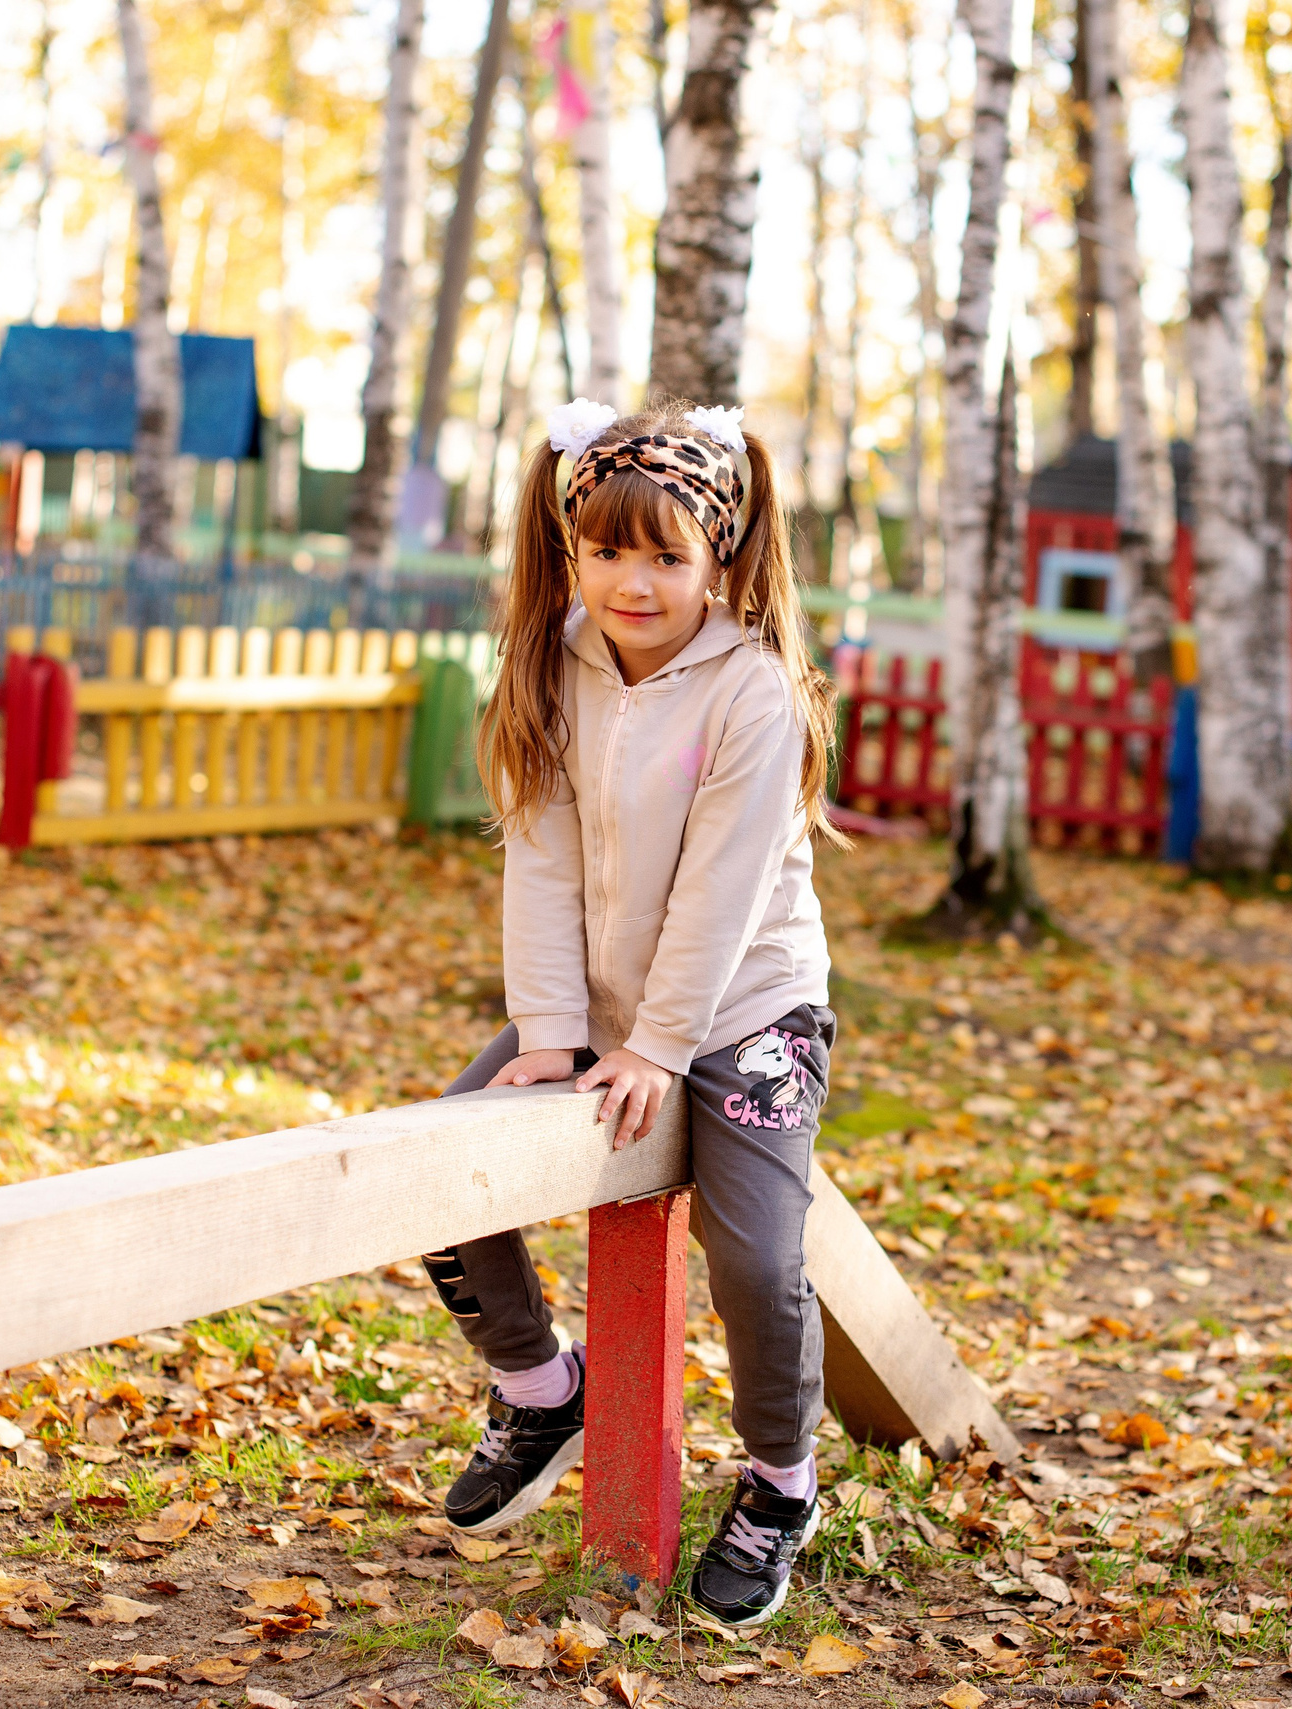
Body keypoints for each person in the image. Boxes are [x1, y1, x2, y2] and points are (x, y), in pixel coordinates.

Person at [418, 398, 847, 1627]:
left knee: (755, 1255)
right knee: (451, 1162)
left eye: (666, 554)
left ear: (720, 555)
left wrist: (661, 1044)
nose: (633, 581)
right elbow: (540, 858)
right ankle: (542, 1386)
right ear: (570, 549)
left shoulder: (753, 693)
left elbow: (722, 890)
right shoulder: (555, 660)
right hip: (603, 1007)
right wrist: (552, 1032)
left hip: (747, 1014)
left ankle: (779, 1481)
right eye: (607, 551)